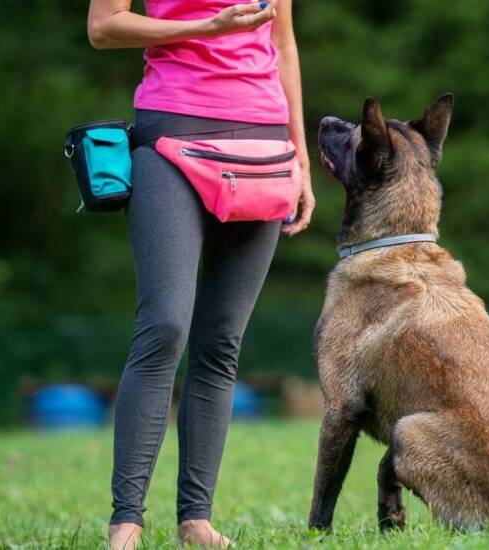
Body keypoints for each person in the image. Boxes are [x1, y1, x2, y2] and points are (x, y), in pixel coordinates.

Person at [86, 1, 314, 547]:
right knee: (164, 325)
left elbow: (283, 43)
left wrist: (300, 156)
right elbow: (103, 27)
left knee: (221, 342)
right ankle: (127, 520)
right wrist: (203, 27)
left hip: (262, 141)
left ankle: (196, 519)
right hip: (171, 133)